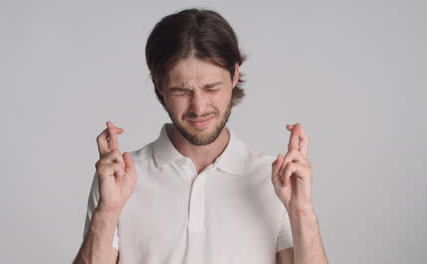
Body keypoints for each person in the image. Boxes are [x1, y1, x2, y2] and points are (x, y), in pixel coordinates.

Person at [73, 8, 328, 264]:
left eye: (211, 88)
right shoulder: (121, 179)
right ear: (159, 86)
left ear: (235, 75)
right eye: (181, 91)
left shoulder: (273, 179)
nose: (199, 107)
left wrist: (301, 212)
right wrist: (107, 211)